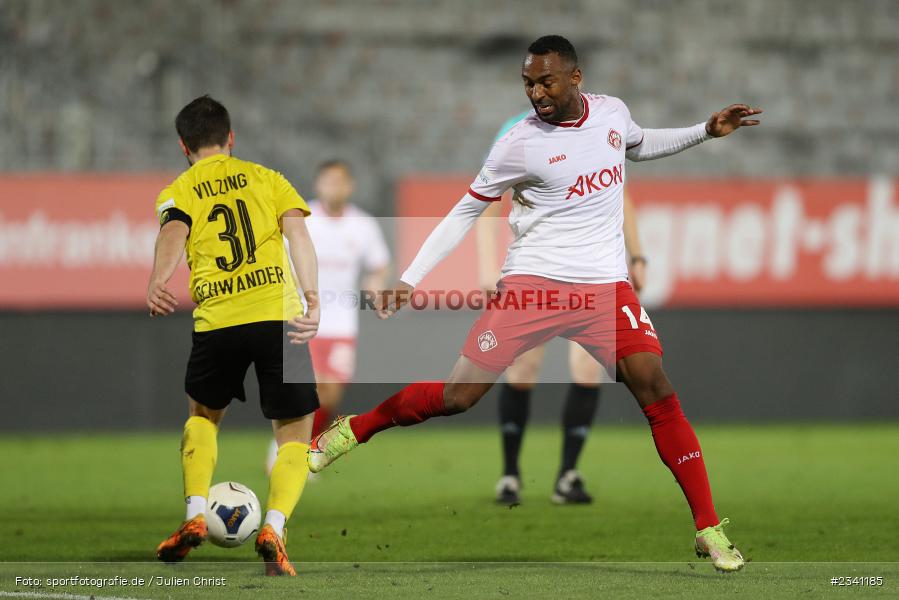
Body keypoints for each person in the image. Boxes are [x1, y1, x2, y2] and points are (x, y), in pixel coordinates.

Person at [310, 36, 761, 571]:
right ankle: (355, 429)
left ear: (575, 77)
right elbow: (464, 211)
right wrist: (409, 279)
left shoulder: (613, 113)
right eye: (528, 83)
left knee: (656, 388)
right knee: (458, 397)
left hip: (603, 287)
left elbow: (639, 145)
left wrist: (705, 131)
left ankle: (708, 528)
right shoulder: (519, 144)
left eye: (546, 81)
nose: (536, 93)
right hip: (534, 286)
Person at [148, 95, 320, 576]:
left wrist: (157, 280)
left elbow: (172, 234)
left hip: (219, 319)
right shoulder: (269, 179)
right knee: (293, 436)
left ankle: (192, 517)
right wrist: (313, 297)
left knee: (203, 417)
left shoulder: (179, 188)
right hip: (277, 317)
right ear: (231, 138)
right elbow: (299, 236)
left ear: (184, 145)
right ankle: (275, 527)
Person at [477, 165, 647, 504]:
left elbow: (622, 199)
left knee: (588, 369)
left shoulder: (597, 131)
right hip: (537, 270)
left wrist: (637, 255)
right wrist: (486, 268)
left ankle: (567, 475)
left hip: (590, 273)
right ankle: (510, 474)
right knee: (522, 371)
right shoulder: (524, 136)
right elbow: (488, 204)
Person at [265, 160, 390, 474]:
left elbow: (379, 263)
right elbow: (279, 257)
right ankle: (288, 450)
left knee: (331, 391)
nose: (334, 186)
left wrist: (375, 283)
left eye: (340, 181)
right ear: (318, 184)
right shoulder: (302, 218)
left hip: (342, 322)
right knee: (306, 387)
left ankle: (302, 447)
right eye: (328, 181)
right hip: (303, 315)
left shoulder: (363, 225)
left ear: (350, 186)